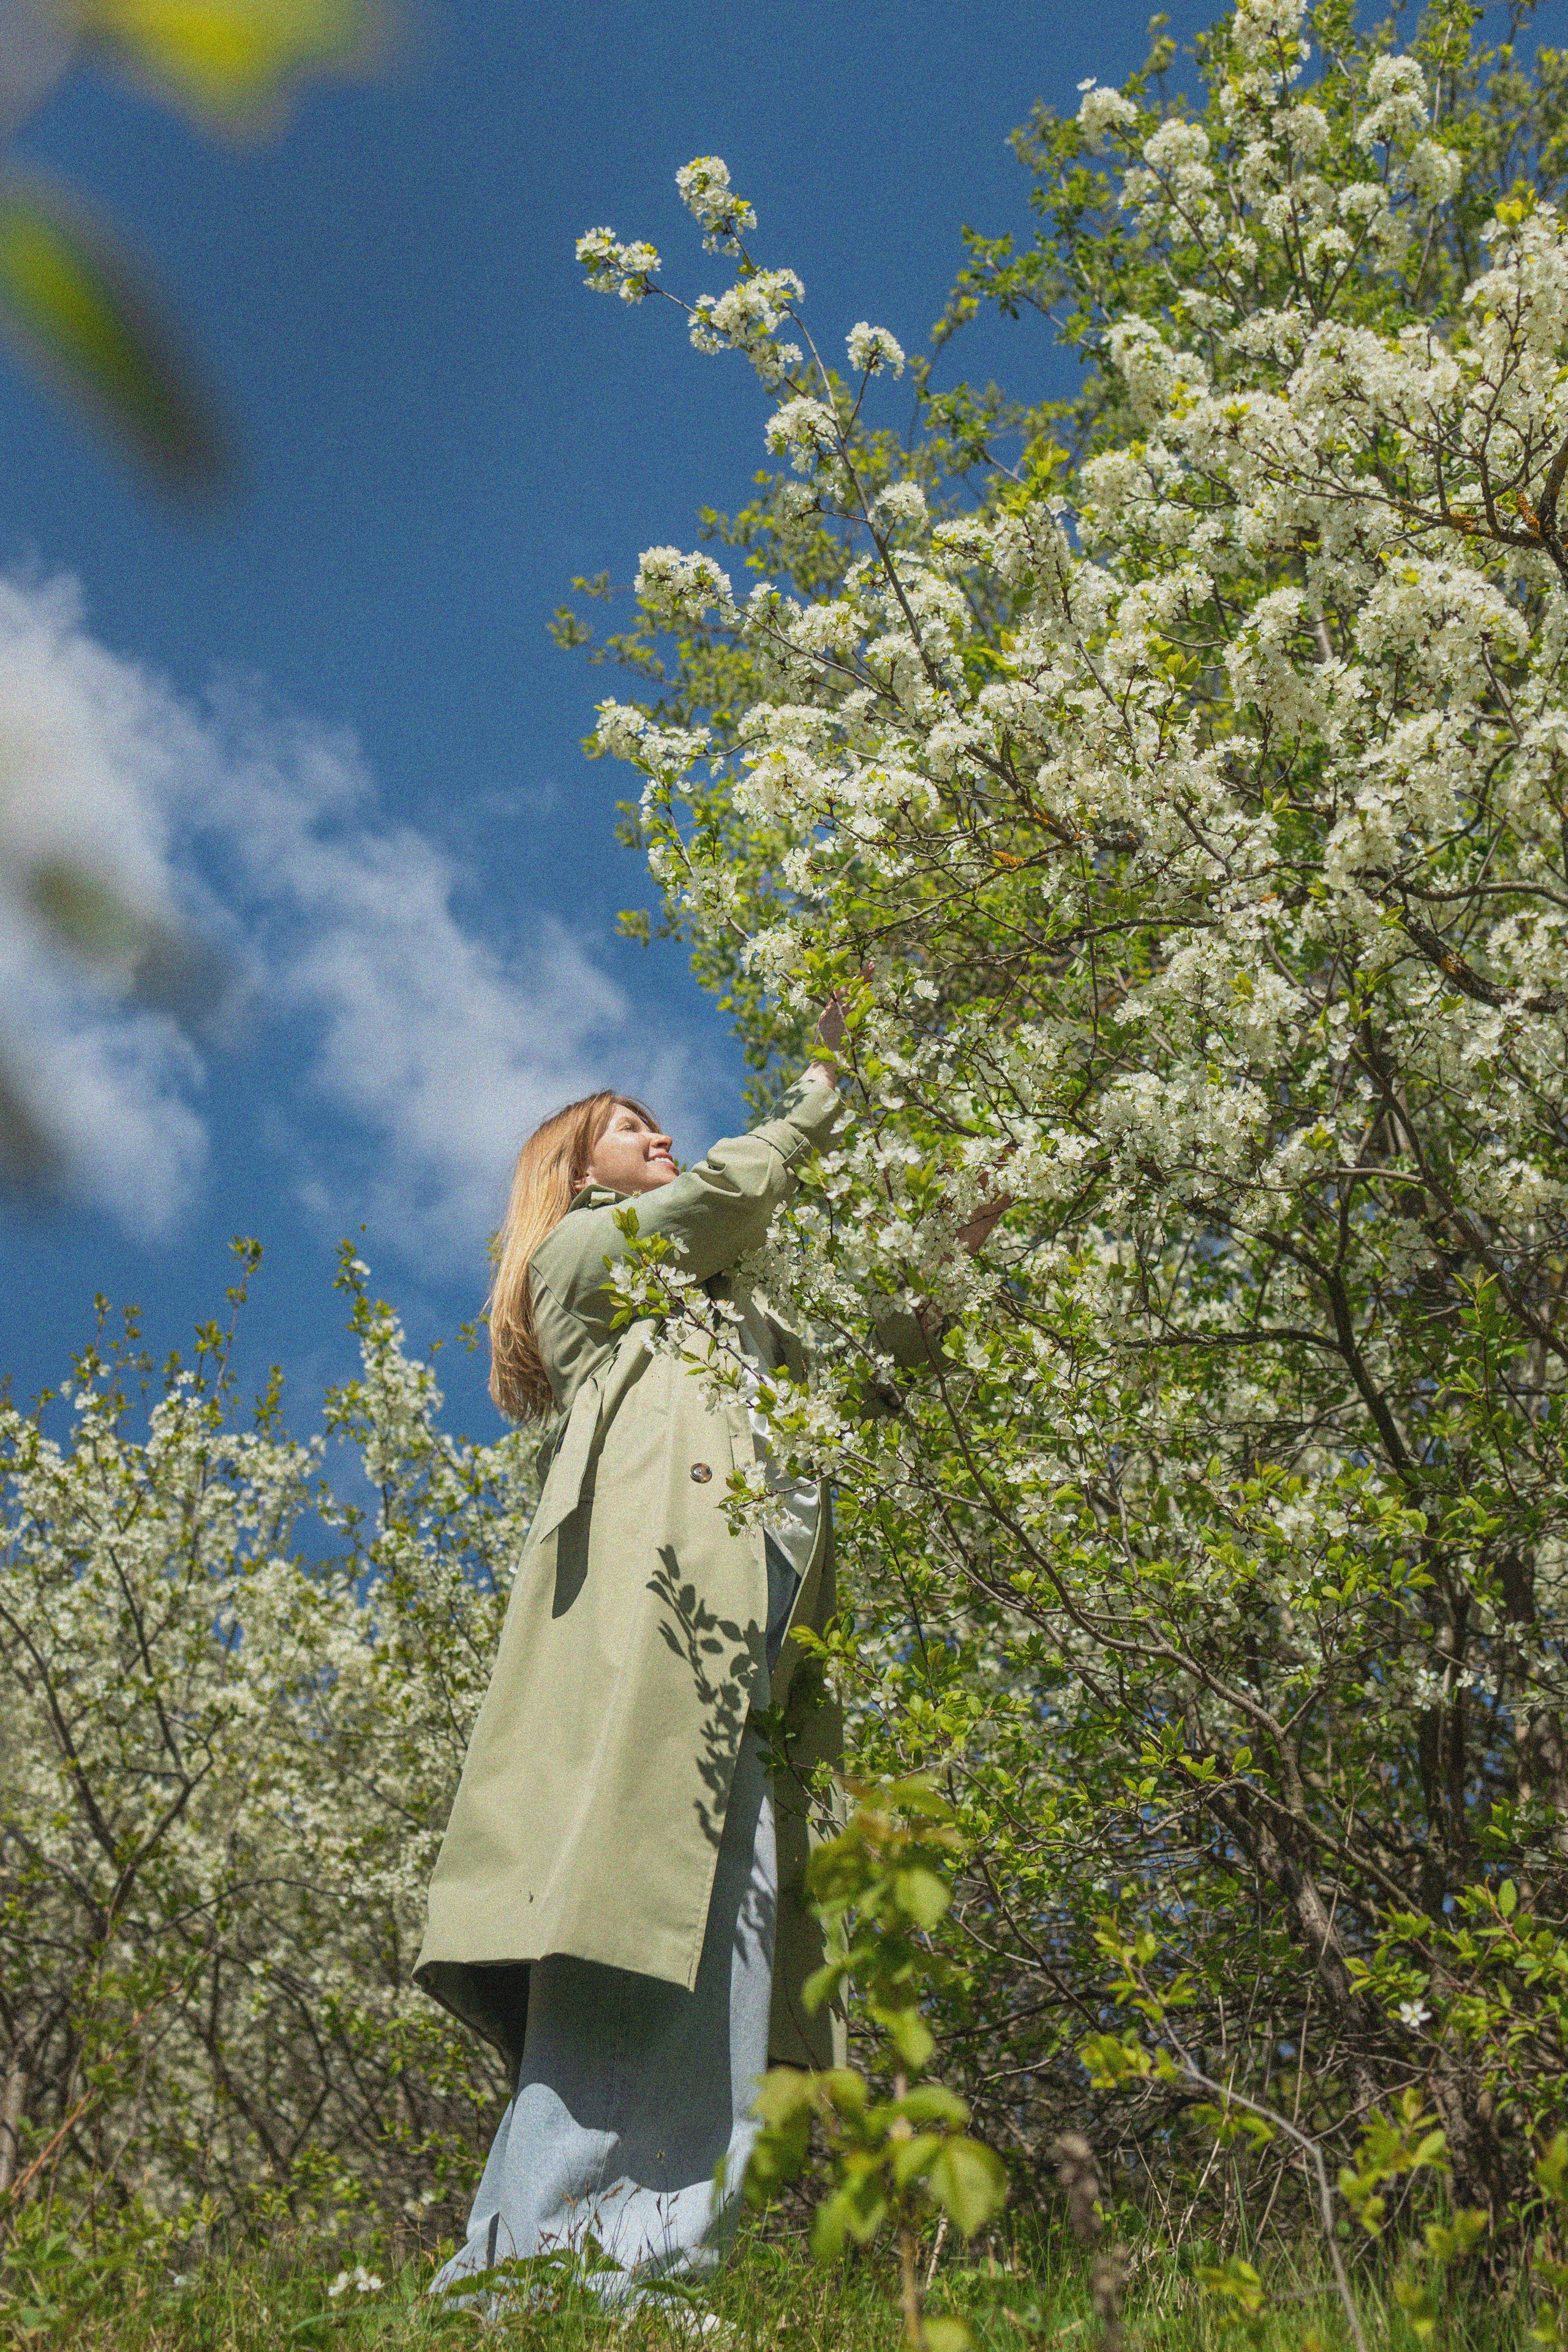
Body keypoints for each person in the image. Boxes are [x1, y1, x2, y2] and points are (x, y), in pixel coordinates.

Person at [415, 1007, 875, 2306]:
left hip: (754, 1670)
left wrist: (964, 1249)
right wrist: (823, 1094)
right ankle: (523, 2276)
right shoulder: (581, 1263)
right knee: (626, 1927)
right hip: (650, 1653)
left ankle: (649, 2279)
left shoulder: (739, 1328)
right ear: (573, 1173)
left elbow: (856, 1389)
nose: (661, 1134)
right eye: (631, 1126)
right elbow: (718, 1203)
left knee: (721, 1951)